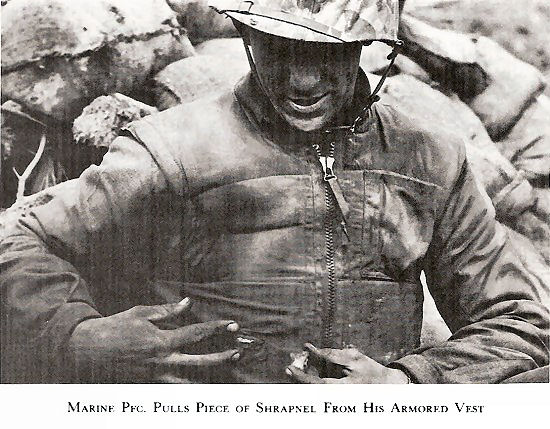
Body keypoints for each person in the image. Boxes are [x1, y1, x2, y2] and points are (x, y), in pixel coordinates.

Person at [0, 0, 548, 384]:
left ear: (366, 48)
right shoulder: (173, 148)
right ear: (246, 38)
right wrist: (78, 335)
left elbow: (518, 319)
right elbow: (23, 238)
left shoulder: (430, 155)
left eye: (326, 52)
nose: (301, 81)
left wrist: (410, 381)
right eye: (278, 48)